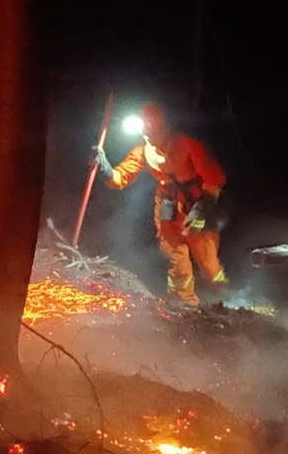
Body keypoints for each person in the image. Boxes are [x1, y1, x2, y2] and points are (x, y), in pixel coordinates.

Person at [97, 102, 228, 308]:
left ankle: (224, 297)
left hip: (196, 206)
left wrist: (203, 206)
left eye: (152, 124)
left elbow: (214, 177)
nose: (147, 130)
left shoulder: (186, 143)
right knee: (176, 255)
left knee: (207, 259)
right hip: (167, 208)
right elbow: (122, 176)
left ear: (164, 124)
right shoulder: (144, 150)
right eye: (145, 126)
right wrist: (104, 168)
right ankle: (184, 305)